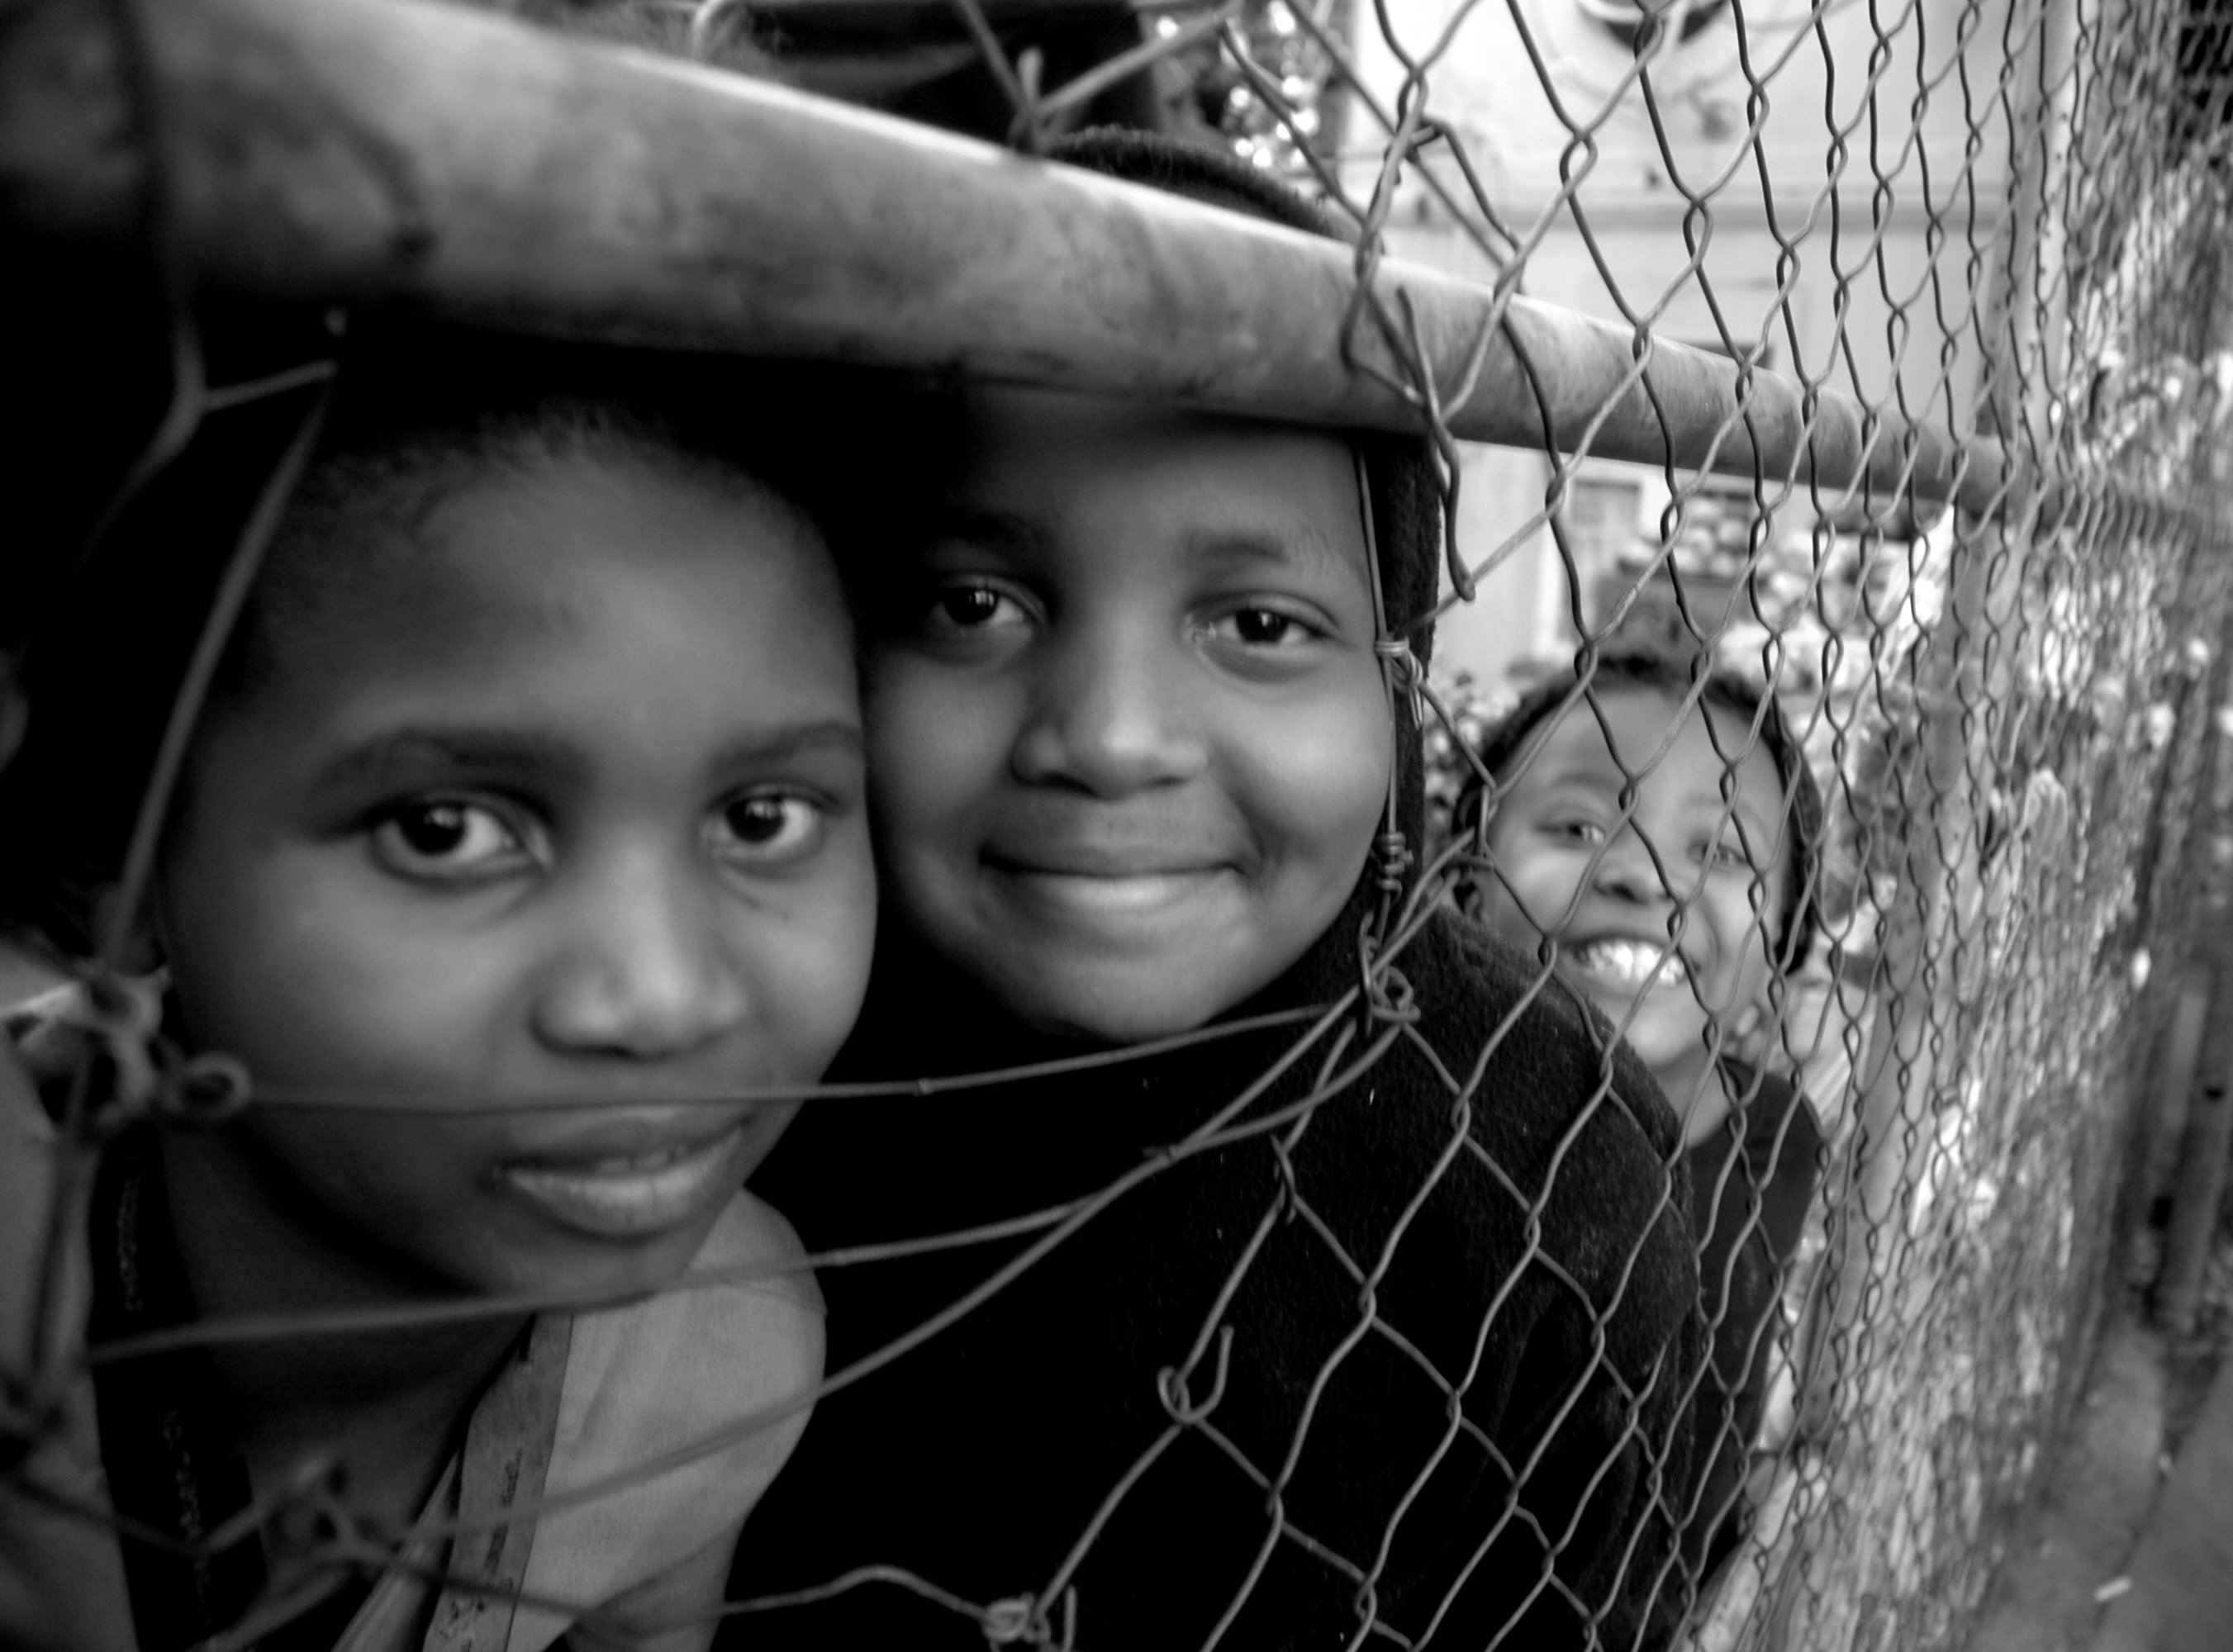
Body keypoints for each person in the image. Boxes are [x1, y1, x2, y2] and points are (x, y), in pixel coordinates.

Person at [731, 131, 1704, 1652]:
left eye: (1256, 621)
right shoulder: (721, 1069)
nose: (1110, 740)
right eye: (972, 602)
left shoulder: (1540, 1148)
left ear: (1395, 682)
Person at [0, 327, 878, 1652]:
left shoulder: (719, 1361)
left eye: (760, 819)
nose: (659, 1002)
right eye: (446, 830)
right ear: (126, 873)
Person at [1457, 645, 1827, 1600]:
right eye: (1579, 822)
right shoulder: (1409, 1148)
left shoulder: (1781, 1134)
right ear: (1466, 871)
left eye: (1723, 851)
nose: (1645, 875)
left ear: (1783, 937)